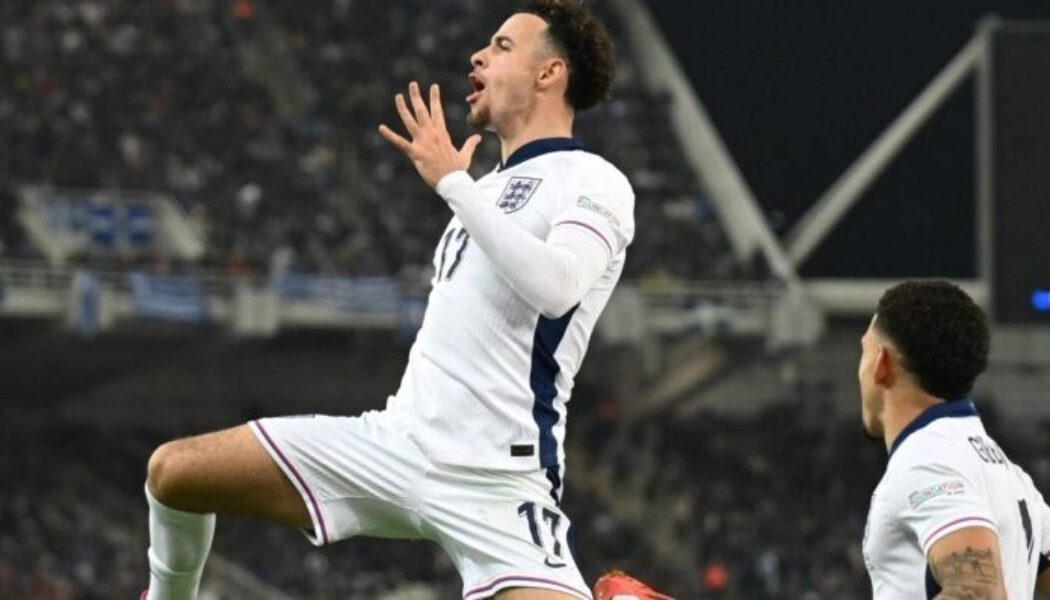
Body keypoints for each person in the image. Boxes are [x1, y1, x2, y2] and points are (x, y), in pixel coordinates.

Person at [142, 2, 638, 599]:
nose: (479, 56)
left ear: (549, 73)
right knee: (174, 474)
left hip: (499, 481)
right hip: (396, 443)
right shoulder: (481, 190)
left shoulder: (592, 180)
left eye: (503, 46)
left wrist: (452, 185)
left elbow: (557, 289)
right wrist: (462, 188)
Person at [858, 280, 1050, 598]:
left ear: (881, 363)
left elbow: (977, 591)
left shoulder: (927, 459)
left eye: (863, 350)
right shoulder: (1005, 472)